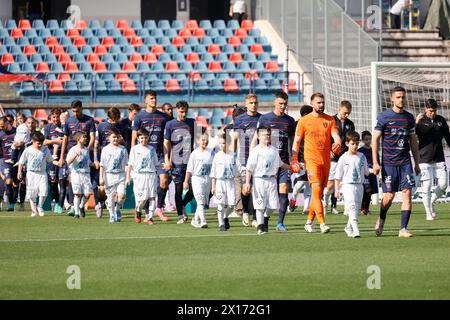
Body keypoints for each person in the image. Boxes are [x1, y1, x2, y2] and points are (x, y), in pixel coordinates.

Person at [372, 86, 420, 238]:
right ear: (392, 99)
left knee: (407, 193)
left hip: (405, 162)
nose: (401, 99)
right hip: (388, 163)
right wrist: (375, 162)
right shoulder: (384, 117)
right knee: (389, 197)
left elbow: (413, 142)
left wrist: (416, 163)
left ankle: (403, 229)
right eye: (398, 97)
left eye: (403, 97)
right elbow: (375, 140)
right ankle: (381, 217)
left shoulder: (409, 117)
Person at [291, 92, 341, 234]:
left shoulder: (330, 120)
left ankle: (308, 222)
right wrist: (294, 159)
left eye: (323, 102)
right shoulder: (303, 121)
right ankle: (322, 223)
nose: (321, 105)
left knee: (317, 194)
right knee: (317, 190)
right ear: (312, 104)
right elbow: (296, 142)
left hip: (326, 162)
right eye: (318, 102)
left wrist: (337, 144)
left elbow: (336, 137)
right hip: (311, 161)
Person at [255, 91, 296, 232]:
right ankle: (264, 220)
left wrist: (294, 159)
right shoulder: (265, 119)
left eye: (285, 104)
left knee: (283, 189)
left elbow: (292, 142)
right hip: (267, 164)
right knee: (268, 195)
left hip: (283, 162)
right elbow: (257, 139)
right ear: (275, 103)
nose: (283, 106)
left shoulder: (290, 121)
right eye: (280, 103)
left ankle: (280, 223)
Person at [244, 126, 291, 235]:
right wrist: (247, 182)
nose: (267, 136)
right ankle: (260, 227)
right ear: (259, 136)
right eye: (265, 134)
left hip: (272, 181)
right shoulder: (255, 151)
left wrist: (291, 167)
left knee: (273, 206)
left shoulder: (274, 150)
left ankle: (265, 218)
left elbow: (280, 164)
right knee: (259, 206)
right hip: (259, 180)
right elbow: (249, 168)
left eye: (269, 134)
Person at [132, 91, 170, 221]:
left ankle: (158, 208)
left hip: (159, 154)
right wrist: (134, 155)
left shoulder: (163, 117)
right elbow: (134, 137)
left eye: (155, 98)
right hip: (143, 155)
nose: (154, 100)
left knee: (164, 180)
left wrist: (167, 158)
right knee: (146, 187)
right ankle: (144, 211)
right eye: (151, 98)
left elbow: (166, 140)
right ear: (146, 101)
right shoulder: (139, 117)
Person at [59, 100, 96, 216]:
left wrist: (86, 150)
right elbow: (65, 139)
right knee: (72, 181)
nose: (75, 113)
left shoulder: (89, 120)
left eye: (77, 110)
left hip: (84, 155)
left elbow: (92, 137)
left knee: (86, 189)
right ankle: (73, 208)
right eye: (73, 111)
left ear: (81, 108)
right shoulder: (69, 121)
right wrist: (61, 157)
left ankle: (80, 206)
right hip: (72, 154)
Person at [415, 98, 450, 220]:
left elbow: (447, 137)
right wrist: (416, 122)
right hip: (424, 159)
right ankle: (428, 212)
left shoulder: (440, 120)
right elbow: (413, 135)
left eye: (434, 111)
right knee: (427, 186)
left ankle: (431, 202)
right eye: (430, 111)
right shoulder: (421, 120)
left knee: (444, 184)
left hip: (439, 158)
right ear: (425, 109)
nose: (432, 113)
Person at [231, 94, 261, 227]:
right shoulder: (240, 120)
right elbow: (234, 139)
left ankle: (255, 216)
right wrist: (232, 156)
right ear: (246, 104)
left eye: (255, 103)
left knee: (257, 188)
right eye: (251, 103)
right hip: (243, 159)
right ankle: (245, 212)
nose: (253, 105)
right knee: (246, 189)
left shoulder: (262, 118)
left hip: (258, 159)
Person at [164, 100, 195, 224]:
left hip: (191, 162)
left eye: (186, 112)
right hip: (177, 162)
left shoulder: (192, 122)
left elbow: (198, 140)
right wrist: (167, 160)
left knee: (194, 190)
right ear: (177, 110)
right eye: (182, 112)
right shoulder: (170, 124)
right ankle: (180, 216)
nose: (184, 114)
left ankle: (181, 205)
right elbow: (166, 143)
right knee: (178, 189)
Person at [334, 131, 370, 238]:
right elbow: (338, 176)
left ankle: (348, 227)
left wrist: (377, 170)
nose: (355, 146)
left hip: (359, 185)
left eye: (357, 144)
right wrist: (336, 190)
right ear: (347, 143)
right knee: (352, 207)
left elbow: (366, 171)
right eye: (352, 143)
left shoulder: (362, 156)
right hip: (347, 185)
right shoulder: (343, 158)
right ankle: (356, 231)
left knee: (356, 210)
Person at [323, 100, 355, 215]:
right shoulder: (330, 120)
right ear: (339, 109)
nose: (346, 115)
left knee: (343, 182)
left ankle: (335, 206)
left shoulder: (350, 124)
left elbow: (352, 140)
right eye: (345, 113)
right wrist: (328, 151)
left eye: (348, 113)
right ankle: (324, 200)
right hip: (333, 157)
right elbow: (325, 138)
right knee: (331, 183)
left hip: (345, 157)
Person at [94, 107, 125, 218]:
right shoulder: (102, 126)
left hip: (117, 160)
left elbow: (125, 143)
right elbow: (96, 144)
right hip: (105, 159)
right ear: (108, 118)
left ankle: (114, 209)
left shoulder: (121, 126)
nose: (114, 122)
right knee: (102, 188)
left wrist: (121, 141)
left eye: (116, 119)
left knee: (119, 194)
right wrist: (95, 158)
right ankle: (101, 203)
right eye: (112, 120)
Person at [17, 132, 55, 217]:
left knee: (44, 191)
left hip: (42, 173)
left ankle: (40, 207)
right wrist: (19, 172)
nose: (39, 145)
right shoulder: (28, 150)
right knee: (32, 193)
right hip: (31, 173)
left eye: (41, 143)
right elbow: (21, 161)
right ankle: (33, 210)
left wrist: (58, 162)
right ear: (33, 141)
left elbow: (50, 160)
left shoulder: (45, 149)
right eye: (38, 143)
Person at [127, 128, 160, 225]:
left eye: (145, 138)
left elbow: (156, 163)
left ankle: (150, 217)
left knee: (152, 197)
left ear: (148, 138)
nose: (144, 140)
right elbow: (130, 164)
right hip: (139, 176)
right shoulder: (134, 149)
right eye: (141, 138)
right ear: (138, 138)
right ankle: (138, 210)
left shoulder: (152, 149)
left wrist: (165, 165)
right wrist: (128, 177)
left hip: (151, 175)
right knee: (142, 199)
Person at [183, 131, 214, 228]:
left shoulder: (211, 152)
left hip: (207, 180)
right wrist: (186, 181)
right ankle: (203, 221)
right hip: (197, 179)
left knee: (203, 202)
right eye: (203, 140)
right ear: (198, 141)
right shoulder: (194, 154)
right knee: (200, 201)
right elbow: (189, 169)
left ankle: (195, 220)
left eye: (206, 140)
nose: (205, 142)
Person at [99, 128, 129, 223]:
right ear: (109, 138)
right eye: (113, 137)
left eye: (117, 137)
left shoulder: (123, 149)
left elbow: (127, 164)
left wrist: (128, 176)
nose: (115, 139)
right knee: (111, 197)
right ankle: (111, 214)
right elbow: (102, 165)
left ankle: (118, 209)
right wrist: (101, 177)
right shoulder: (105, 149)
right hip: (109, 176)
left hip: (120, 175)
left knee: (122, 195)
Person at [288, 105, 313, 215]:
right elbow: (292, 141)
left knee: (309, 183)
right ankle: (293, 198)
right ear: (304, 115)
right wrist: (293, 158)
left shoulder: (313, 125)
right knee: (302, 182)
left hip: (311, 158)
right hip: (299, 157)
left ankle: (306, 207)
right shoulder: (295, 125)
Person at [210, 134, 238, 231]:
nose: (222, 145)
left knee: (232, 205)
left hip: (230, 182)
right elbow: (213, 172)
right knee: (220, 203)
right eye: (220, 143)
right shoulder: (217, 156)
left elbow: (236, 170)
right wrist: (213, 186)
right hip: (220, 182)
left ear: (228, 143)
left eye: (224, 143)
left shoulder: (233, 156)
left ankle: (225, 217)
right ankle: (221, 224)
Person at [66, 132, 93, 219]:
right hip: (76, 174)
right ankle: (77, 213)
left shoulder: (86, 150)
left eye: (86, 137)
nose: (86, 139)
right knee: (77, 194)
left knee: (87, 194)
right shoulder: (73, 149)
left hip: (86, 174)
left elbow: (88, 162)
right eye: (84, 137)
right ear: (78, 139)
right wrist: (75, 155)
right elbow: (68, 161)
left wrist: (94, 164)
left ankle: (81, 206)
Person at [43, 109, 64, 213]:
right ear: (51, 118)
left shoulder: (65, 126)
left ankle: (63, 204)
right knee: (53, 182)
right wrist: (55, 141)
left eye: (57, 116)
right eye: (54, 117)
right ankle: (55, 202)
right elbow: (43, 141)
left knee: (63, 181)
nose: (56, 119)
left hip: (63, 157)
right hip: (51, 159)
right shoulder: (47, 127)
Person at [358, 131, 379, 215]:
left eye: (370, 139)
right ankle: (362, 208)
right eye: (366, 139)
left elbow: (377, 162)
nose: (368, 141)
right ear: (362, 140)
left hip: (372, 174)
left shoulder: (374, 150)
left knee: (370, 192)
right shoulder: (360, 151)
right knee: (365, 190)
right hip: (364, 174)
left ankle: (366, 208)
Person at [0, 116, 17, 211]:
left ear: (8, 123)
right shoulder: (1, 134)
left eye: (2, 126)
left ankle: (15, 202)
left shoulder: (17, 131)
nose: (1, 128)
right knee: (8, 181)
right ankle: (10, 204)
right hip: (6, 161)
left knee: (16, 183)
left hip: (17, 161)